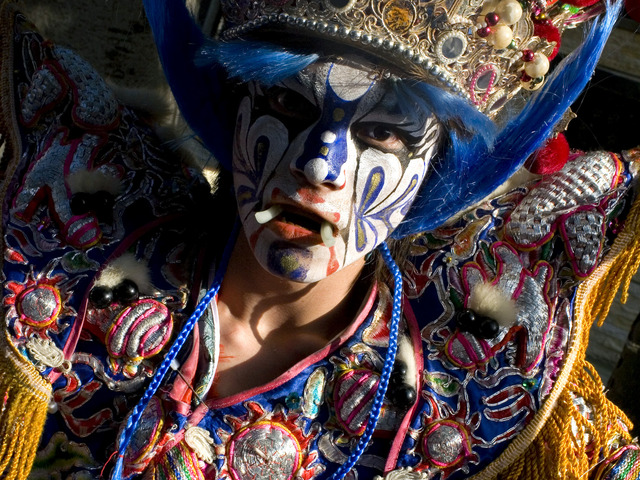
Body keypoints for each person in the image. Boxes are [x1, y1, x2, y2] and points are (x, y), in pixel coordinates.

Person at [0, 0, 638, 479]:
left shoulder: (461, 382)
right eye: (288, 106)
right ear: (237, 108)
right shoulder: (75, 262)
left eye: (382, 134)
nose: (319, 166)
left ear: (434, 171)